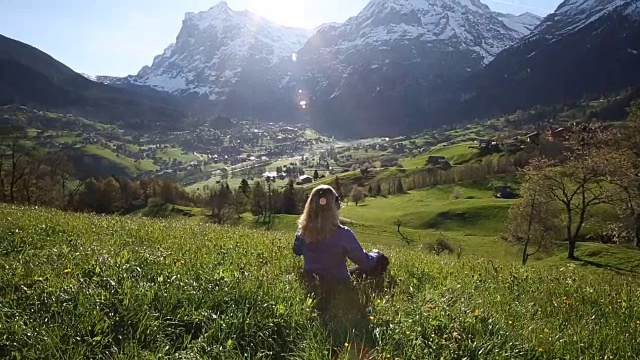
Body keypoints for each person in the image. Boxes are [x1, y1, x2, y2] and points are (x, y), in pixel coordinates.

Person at [292, 184, 385, 284]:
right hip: (338, 282)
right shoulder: (343, 234)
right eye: (337, 199)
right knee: (381, 260)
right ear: (334, 205)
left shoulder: (303, 231)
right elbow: (365, 262)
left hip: (311, 280)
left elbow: (297, 251)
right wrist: (376, 254)